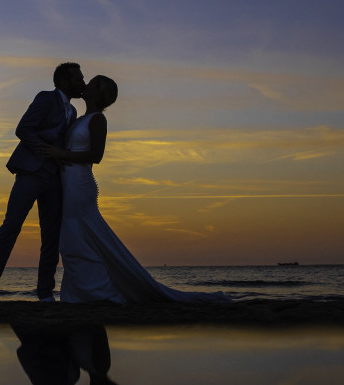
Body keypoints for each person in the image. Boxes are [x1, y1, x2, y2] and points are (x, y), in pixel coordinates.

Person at [44, 75, 231, 304]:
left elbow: (96, 156)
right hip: (67, 184)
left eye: (94, 84)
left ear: (100, 94)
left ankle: (97, 293)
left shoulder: (97, 120)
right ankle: (81, 292)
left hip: (80, 185)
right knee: (73, 239)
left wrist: (61, 155)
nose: (87, 85)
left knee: (76, 237)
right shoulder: (79, 118)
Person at [0, 62, 86, 303]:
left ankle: (45, 293)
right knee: (11, 226)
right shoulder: (45, 98)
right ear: (64, 80)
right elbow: (23, 129)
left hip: (55, 178)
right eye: (79, 78)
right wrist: (45, 150)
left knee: (51, 237)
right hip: (30, 171)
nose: (82, 83)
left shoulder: (73, 112)